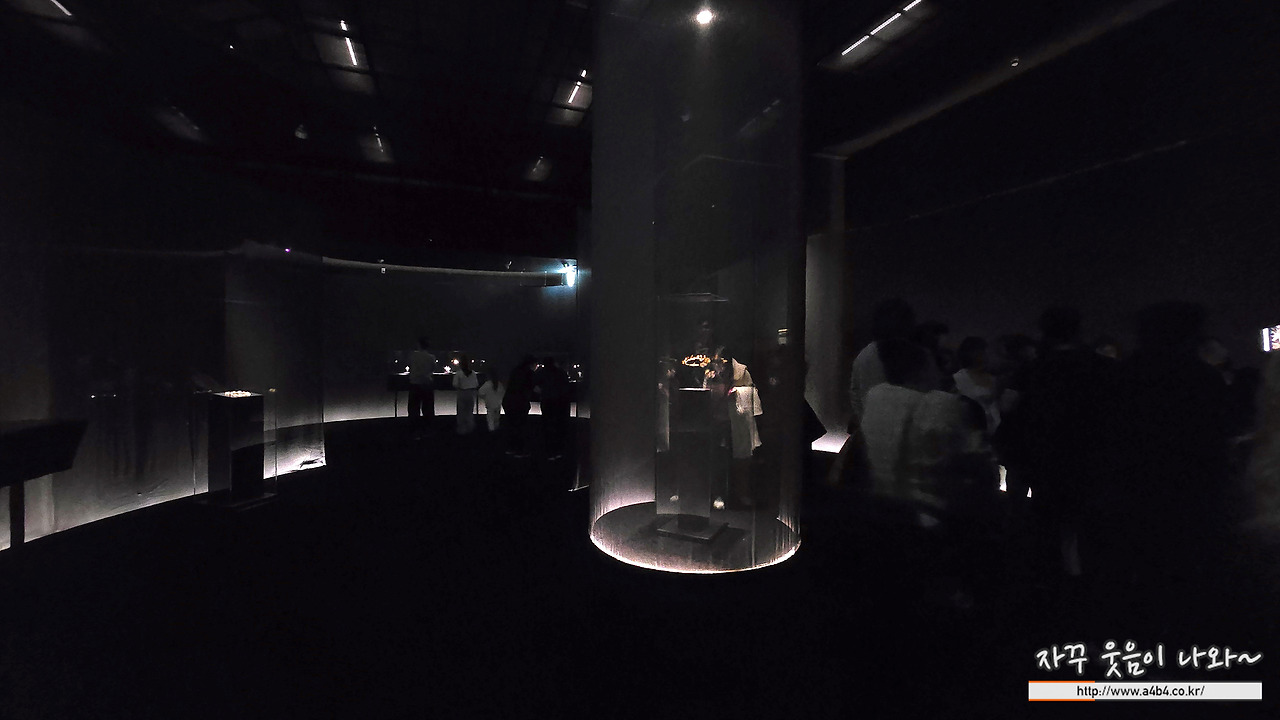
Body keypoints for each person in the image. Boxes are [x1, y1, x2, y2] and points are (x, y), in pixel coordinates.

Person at [952, 337, 1001, 434]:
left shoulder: (993, 378)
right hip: (971, 430)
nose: (986, 355)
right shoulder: (959, 377)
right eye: (981, 352)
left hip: (995, 430)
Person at [536, 357, 572, 459]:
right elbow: (566, 387)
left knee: (547, 425)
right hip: (560, 402)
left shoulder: (542, 373)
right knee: (559, 426)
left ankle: (549, 450)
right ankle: (558, 449)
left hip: (547, 401)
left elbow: (536, 387)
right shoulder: (561, 373)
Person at [503, 356, 537, 457]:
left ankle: (511, 448)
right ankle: (520, 450)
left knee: (512, 426)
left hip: (509, 401)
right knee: (521, 427)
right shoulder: (529, 373)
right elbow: (533, 388)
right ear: (532, 364)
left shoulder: (515, 371)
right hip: (520, 402)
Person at [408, 336, 437, 439]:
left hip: (415, 384)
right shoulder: (431, 357)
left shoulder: (413, 356)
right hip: (427, 385)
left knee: (414, 409)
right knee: (428, 409)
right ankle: (428, 432)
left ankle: (415, 432)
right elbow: (433, 369)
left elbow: (411, 366)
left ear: (419, 345)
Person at [452, 355, 479, 435]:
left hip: (462, 393)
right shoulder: (473, 373)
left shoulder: (459, 374)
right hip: (470, 393)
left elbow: (455, 384)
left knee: (461, 412)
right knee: (469, 412)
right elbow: (476, 384)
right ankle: (470, 428)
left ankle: (462, 429)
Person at [477, 369, 506, 433]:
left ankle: (492, 434)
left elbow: (480, 393)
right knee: (496, 420)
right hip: (498, 405)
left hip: (490, 405)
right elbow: (503, 394)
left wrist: (485, 398)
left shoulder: (487, 384)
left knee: (490, 421)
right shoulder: (499, 384)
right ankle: (497, 433)